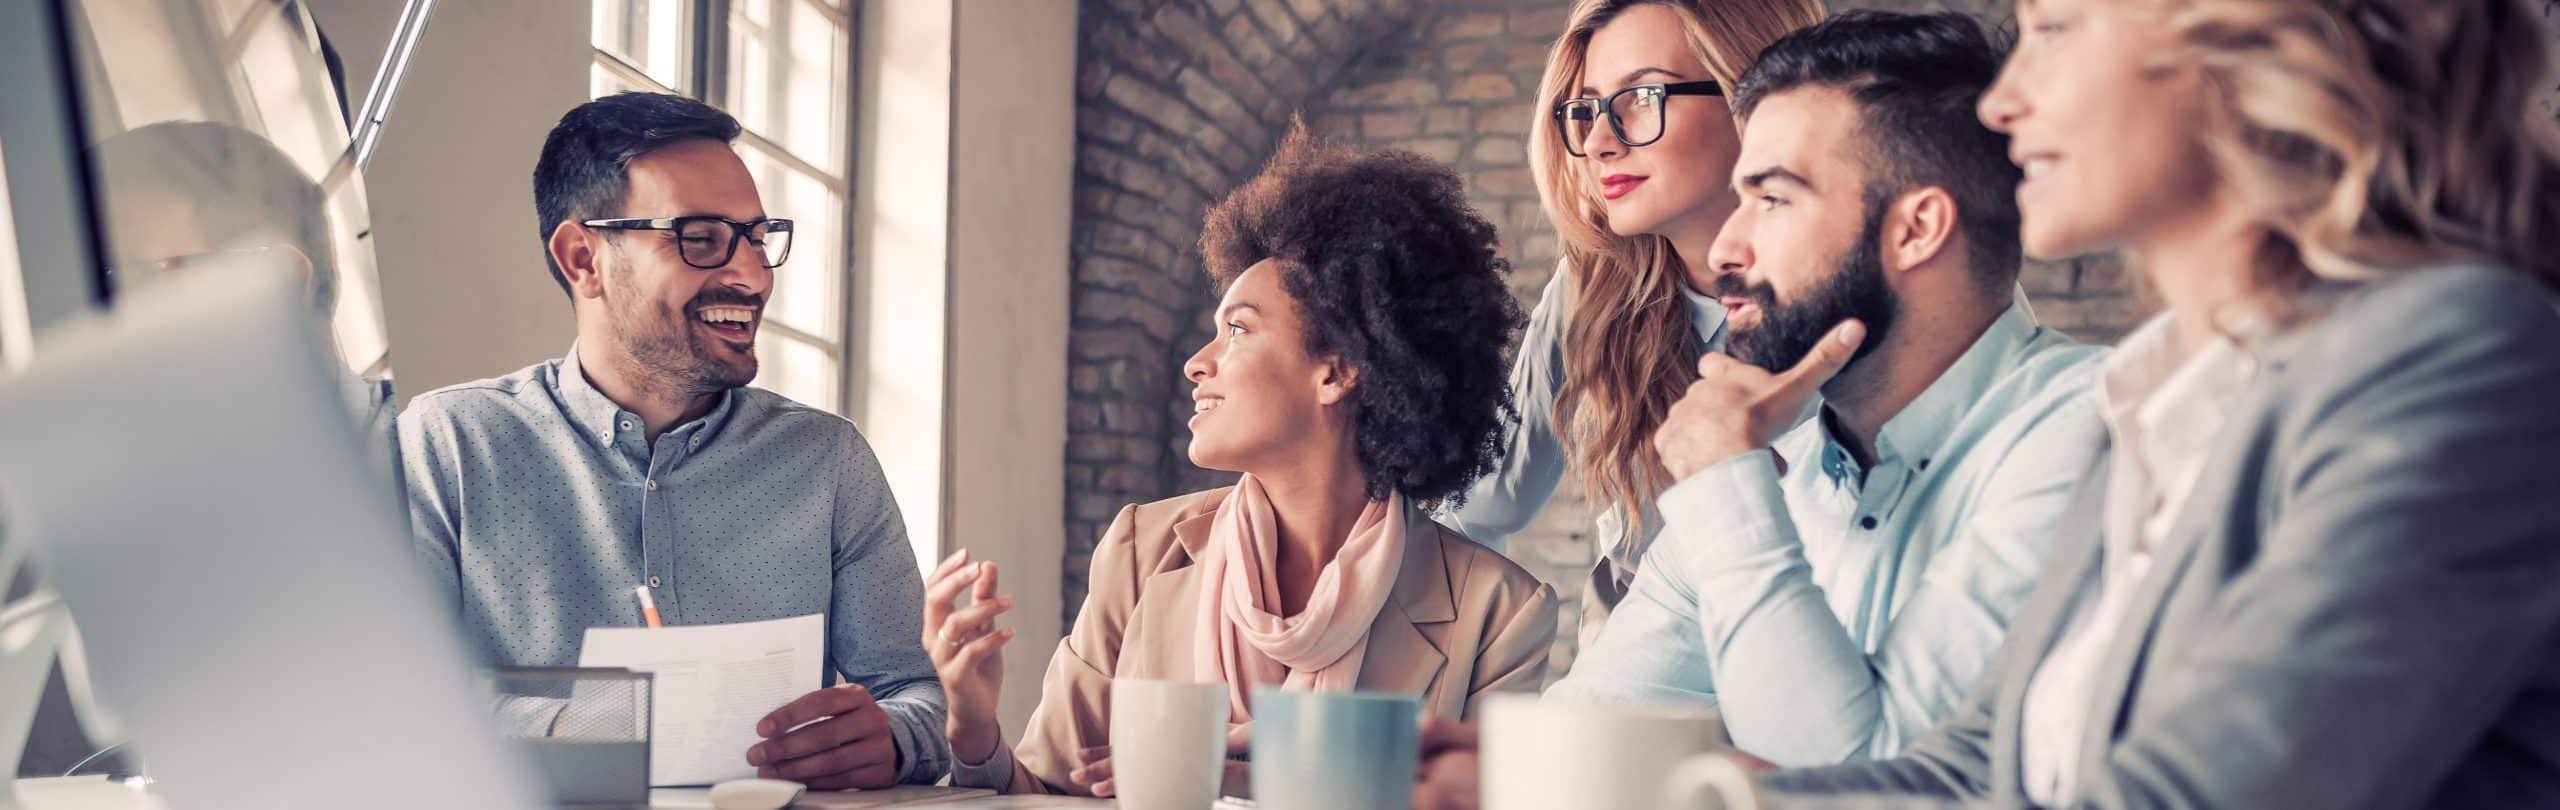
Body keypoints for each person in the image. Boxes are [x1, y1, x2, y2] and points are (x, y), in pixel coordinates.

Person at [1738, 0, 2560, 806]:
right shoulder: (2153, 401)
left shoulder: (2457, 357)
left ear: (2240, 46)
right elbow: (1975, 767)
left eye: (2055, 29)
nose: (2002, 101)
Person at [924, 127, 1558, 797]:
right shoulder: (1143, 551)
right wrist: (972, 725)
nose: (1199, 363)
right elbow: (1050, 794)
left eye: (1238, 329)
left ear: (1337, 370)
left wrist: (1276, 781)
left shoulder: (1499, 612)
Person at [397, 92, 949, 789]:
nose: (752, 275)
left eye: (757, 237)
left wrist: (892, 739)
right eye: (701, 238)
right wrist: (599, 726)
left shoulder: (829, 463)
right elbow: (391, 699)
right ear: (583, 259)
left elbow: (916, 696)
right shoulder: (449, 446)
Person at [1443, 0, 1823, 641]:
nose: (1597, 141)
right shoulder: (1593, 287)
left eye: (1642, 96)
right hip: (1626, 696)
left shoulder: (1891, 273)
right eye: (1587, 108)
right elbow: (1484, 500)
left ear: (1755, 95)